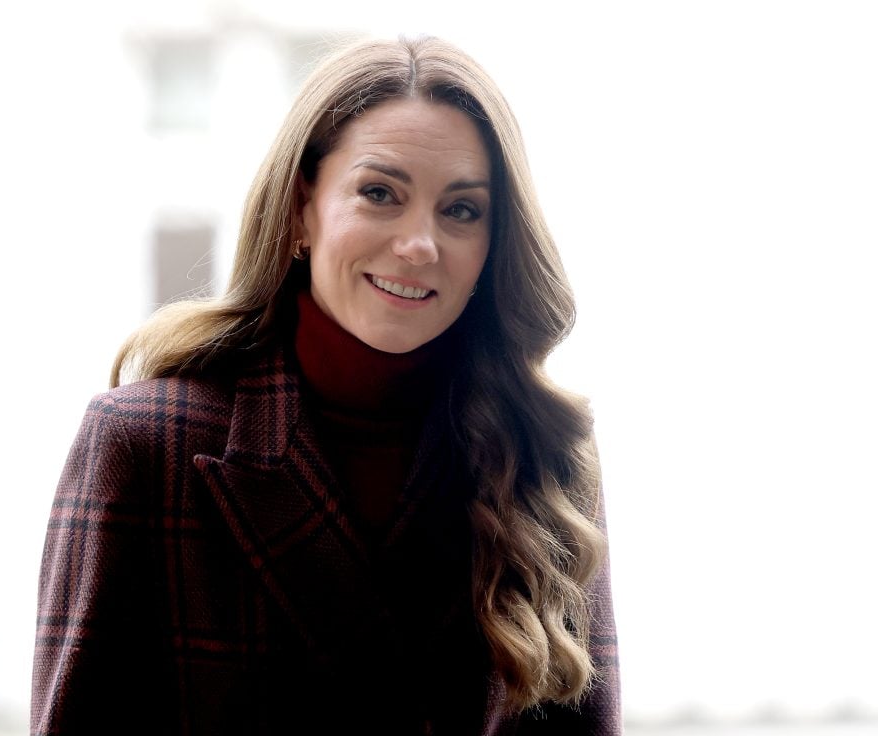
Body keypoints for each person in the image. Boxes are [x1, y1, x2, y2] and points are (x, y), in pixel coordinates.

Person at [32, 35, 620, 735]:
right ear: (300, 210)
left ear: (494, 244)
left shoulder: (544, 454)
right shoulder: (145, 445)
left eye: (461, 210)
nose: (419, 245)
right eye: (380, 194)